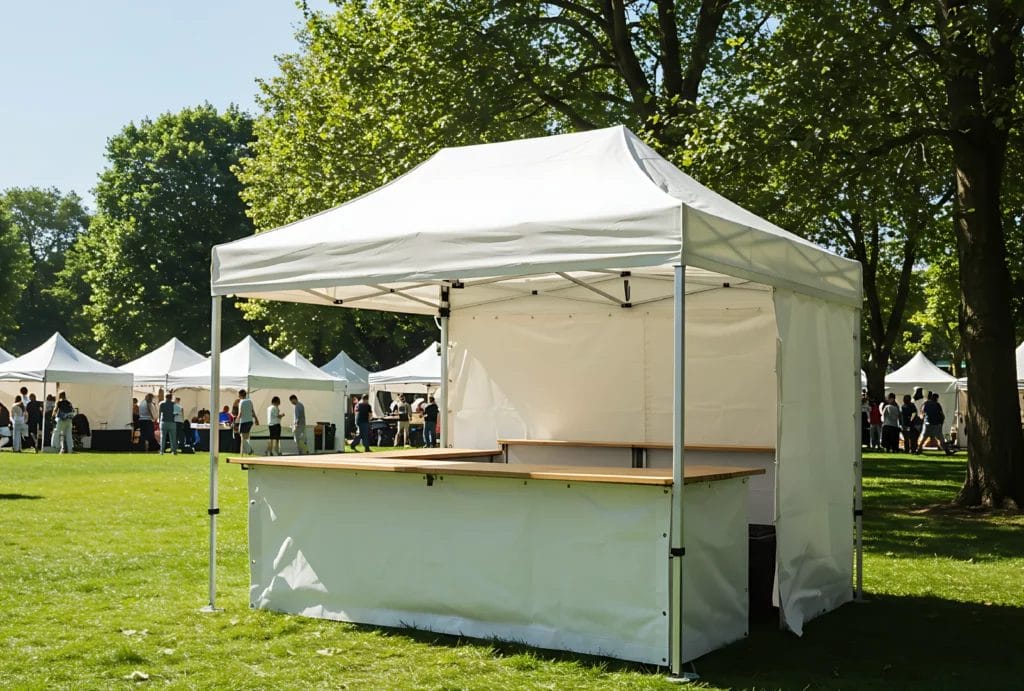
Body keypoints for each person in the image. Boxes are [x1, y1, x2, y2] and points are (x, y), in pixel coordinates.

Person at [236, 389, 258, 455]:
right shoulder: (250, 401)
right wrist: (256, 419)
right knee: (246, 437)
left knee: (242, 438)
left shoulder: (241, 402)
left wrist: (236, 421)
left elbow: (240, 413)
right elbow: (253, 411)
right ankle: (243, 453)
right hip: (250, 421)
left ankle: (248, 450)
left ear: (240, 395)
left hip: (244, 422)